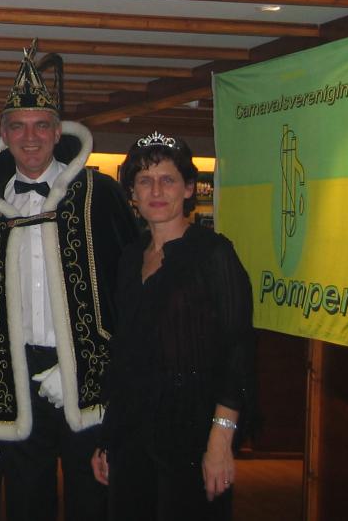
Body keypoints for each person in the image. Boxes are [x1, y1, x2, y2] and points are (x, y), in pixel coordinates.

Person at [0, 40, 139, 521]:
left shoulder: (99, 195)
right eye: (19, 127)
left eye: (41, 126)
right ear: (5, 135)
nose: (30, 138)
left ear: (57, 132)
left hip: (85, 375)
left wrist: (84, 366)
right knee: (26, 500)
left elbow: (129, 295)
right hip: (18, 373)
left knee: (92, 499)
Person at [91, 133, 254, 520]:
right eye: (144, 181)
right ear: (132, 193)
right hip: (132, 429)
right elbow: (124, 356)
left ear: (189, 188)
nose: (156, 191)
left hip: (192, 430)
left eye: (167, 180)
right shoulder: (131, 258)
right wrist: (108, 437)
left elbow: (238, 351)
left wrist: (221, 439)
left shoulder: (213, 254)